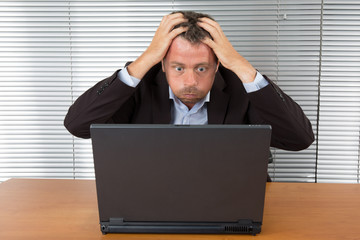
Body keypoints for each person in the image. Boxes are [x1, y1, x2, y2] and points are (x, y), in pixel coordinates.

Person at [64, 11, 314, 151]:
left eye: (202, 67)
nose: (190, 81)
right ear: (162, 64)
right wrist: (147, 58)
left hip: (227, 199)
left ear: (217, 65)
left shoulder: (241, 90)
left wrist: (239, 64)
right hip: (152, 194)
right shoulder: (140, 87)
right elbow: (78, 125)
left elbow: (299, 139)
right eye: (178, 67)